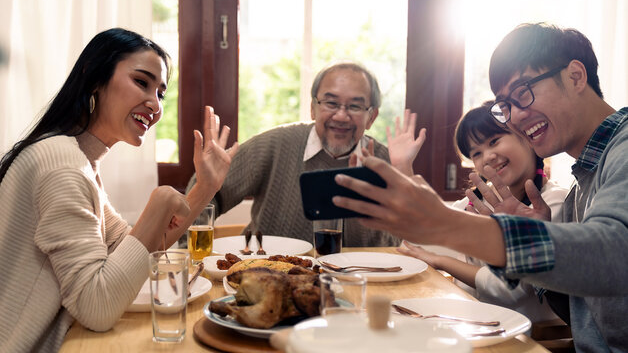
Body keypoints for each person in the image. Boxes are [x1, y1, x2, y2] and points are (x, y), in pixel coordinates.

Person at [332, 22, 628, 350]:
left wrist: (444, 223)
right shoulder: (581, 188)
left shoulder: (623, 150)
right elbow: (592, 316)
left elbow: (613, 254)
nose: (515, 116)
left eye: (523, 93)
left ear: (575, 76)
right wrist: (540, 259)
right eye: (506, 106)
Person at [0, 28, 238, 353]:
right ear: (94, 77)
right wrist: (162, 200)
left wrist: (207, 186)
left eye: (161, 93)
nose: (155, 104)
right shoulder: (62, 165)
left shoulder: (78, 160)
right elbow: (97, 307)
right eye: (142, 82)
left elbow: (136, 253)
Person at [186, 62, 425, 247]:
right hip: (268, 277)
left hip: (359, 287)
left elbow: (405, 244)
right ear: (313, 108)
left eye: (354, 106)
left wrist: (402, 174)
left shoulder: (387, 162)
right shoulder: (273, 145)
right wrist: (192, 256)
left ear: (371, 116)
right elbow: (204, 191)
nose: (341, 116)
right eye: (330, 103)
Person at [398, 101, 568, 323]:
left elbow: (508, 289)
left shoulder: (554, 202)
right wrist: (404, 167)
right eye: (476, 153)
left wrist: (440, 260)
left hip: (527, 340)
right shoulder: (480, 203)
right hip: (472, 328)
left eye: (494, 141)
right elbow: (424, 227)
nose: (487, 156)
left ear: (526, 137)